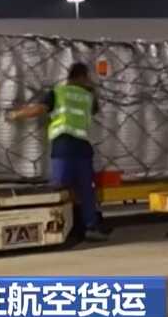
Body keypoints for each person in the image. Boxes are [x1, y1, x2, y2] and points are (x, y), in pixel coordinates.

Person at [7, 63, 109, 243]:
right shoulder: (88, 96)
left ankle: (63, 227)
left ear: (69, 76)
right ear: (83, 76)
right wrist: (91, 88)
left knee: (60, 187)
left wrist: (15, 114)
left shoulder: (58, 92)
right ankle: (90, 227)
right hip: (83, 148)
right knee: (86, 190)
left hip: (64, 146)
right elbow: (95, 109)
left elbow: (39, 109)